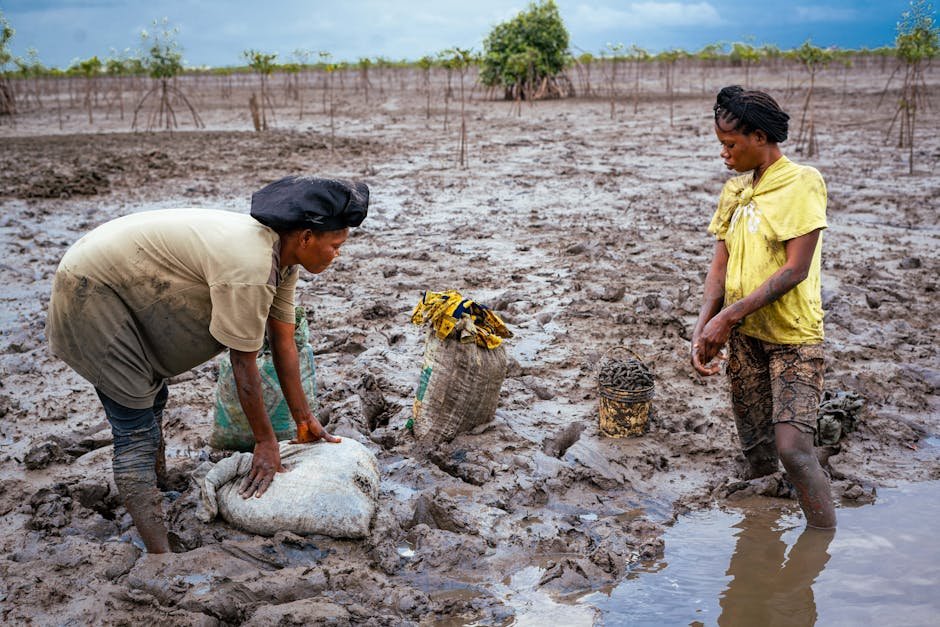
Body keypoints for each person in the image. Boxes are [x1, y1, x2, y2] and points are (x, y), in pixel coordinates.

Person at [47, 175, 369, 553]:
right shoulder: (250, 268)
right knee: (135, 428)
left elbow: (283, 342)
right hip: (91, 288)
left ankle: (159, 489)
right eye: (336, 245)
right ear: (306, 237)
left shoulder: (283, 259)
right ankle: (159, 555)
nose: (338, 254)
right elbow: (243, 365)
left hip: (116, 277)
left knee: (153, 400)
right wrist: (266, 443)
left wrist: (303, 419)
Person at [690, 86, 836, 529]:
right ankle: (764, 530)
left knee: (793, 449)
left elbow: (796, 269)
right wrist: (703, 329)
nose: (724, 153)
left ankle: (821, 537)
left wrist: (727, 317)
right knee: (757, 448)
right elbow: (720, 268)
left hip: (793, 338)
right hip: (746, 339)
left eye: (730, 144)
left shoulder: (801, 183)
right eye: (720, 144)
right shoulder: (735, 193)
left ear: (758, 137)